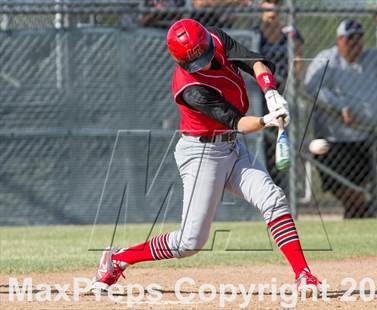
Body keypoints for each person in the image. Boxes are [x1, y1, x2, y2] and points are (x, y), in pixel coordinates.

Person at [92, 18, 321, 296]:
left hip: (232, 148)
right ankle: (118, 258)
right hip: (201, 154)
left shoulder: (216, 38)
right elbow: (237, 122)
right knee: (190, 242)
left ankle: (304, 274)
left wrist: (271, 92)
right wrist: (266, 119)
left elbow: (254, 62)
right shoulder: (190, 89)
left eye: (203, 54)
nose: (202, 63)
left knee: (273, 199)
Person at [304, 18, 377, 218]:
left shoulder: (372, 57)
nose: (356, 44)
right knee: (340, 186)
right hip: (333, 138)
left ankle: (359, 216)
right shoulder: (327, 58)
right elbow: (311, 87)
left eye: (359, 39)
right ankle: (365, 209)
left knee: (356, 196)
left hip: (366, 136)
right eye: (350, 39)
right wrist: (339, 106)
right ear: (339, 40)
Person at [258, 0, 304, 189]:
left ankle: (286, 190)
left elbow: (299, 60)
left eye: (277, 3)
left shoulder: (290, 33)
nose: (273, 8)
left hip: (284, 94)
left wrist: (294, 85)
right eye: (268, 2)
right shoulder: (256, 33)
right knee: (264, 146)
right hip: (261, 97)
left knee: (284, 145)